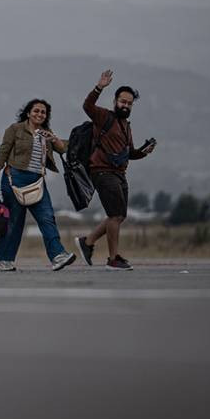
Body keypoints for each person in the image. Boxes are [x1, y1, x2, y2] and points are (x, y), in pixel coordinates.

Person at [75, 70, 156, 271]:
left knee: (119, 216)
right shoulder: (104, 117)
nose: (125, 105)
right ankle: (113, 259)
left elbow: (129, 153)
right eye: (122, 101)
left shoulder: (126, 126)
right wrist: (99, 87)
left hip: (120, 173)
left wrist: (144, 152)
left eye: (129, 103)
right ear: (115, 101)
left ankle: (87, 242)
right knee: (115, 215)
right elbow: (87, 106)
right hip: (102, 171)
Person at [0, 99, 76, 272]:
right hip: (14, 178)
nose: (39, 114)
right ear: (28, 113)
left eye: (43, 112)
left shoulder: (46, 133)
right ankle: (3, 259)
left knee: (47, 216)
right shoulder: (15, 129)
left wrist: (54, 139)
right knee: (14, 221)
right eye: (36, 111)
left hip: (37, 180)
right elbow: (2, 153)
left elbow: (63, 149)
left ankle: (58, 255)